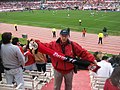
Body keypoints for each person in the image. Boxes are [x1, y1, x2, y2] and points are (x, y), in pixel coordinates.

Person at [30, 29, 97, 90]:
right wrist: (36, 42)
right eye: (62, 36)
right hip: (57, 70)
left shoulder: (73, 45)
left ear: (68, 36)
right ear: (60, 35)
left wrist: (92, 59)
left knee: (68, 87)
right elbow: (44, 46)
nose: (64, 38)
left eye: (65, 36)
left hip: (69, 71)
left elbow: (83, 52)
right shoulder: (53, 44)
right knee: (56, 87)